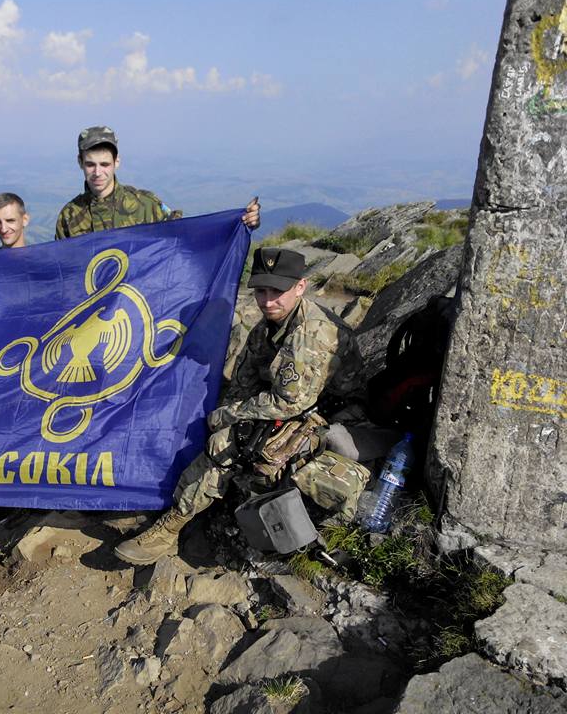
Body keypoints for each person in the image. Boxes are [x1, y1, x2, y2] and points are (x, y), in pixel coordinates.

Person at [114, 247, 372, 566]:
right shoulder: (266, 328)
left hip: (333, 411)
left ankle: (171, 527)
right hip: (292, 400)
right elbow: (244, 382)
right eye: (261, 291)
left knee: (229, 442)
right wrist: (226, 409)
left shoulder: (312, 334)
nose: (267, 300)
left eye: (277, 291)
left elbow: (290, 401)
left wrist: (228, 417)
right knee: (206, 417)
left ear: (300, 287)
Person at [55, 125, 261, 239]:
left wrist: (240, 221)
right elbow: (61, 270)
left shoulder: (145, 205)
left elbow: (188, 234)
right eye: (90, 164)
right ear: (80, 162)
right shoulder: (69, 215)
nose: (98, 172)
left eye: (105, 164)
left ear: (117, 162)